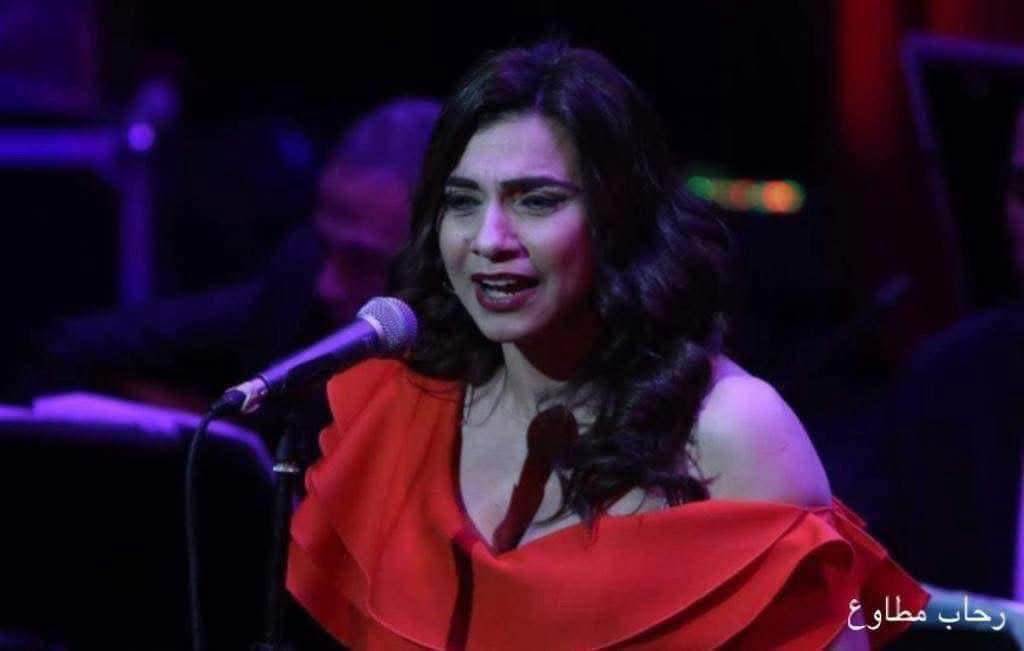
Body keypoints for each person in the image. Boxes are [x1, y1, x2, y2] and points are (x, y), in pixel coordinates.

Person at [287, 41, 927, 649]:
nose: (488, 239)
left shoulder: (733, 435)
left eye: (536, 201)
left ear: (618, 218)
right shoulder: (405, 405)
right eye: (463, 202)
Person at [17, 97, 441, 419]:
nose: (327, 285)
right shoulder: (297, 290)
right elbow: (70, 349)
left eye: (363, 261)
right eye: (325, 245)